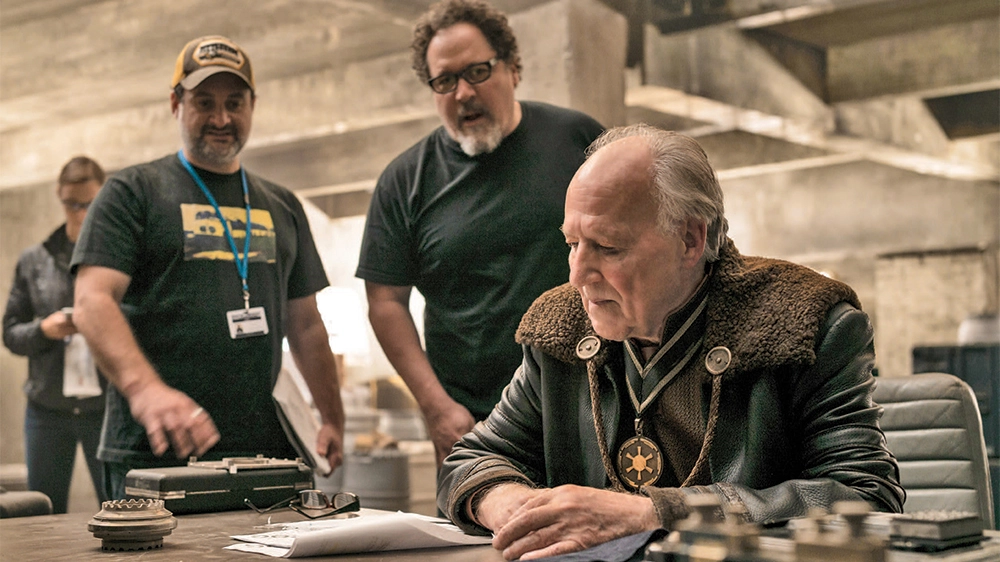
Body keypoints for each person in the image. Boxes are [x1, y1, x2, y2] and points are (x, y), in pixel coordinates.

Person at [438, 124, 905, 560]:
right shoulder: (558, 328)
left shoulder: (806, 323)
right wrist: (511, 505)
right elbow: (472, 460)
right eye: (572, 244)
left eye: (608, 246)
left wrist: (657, 512)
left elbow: (865, 497)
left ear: (690, 239)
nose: (577, 275)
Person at [70, 35, 345, 500]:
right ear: (176, 104)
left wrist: (331, 416)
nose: (221, 119)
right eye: (204, 102)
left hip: (268, 449)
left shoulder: (282, 205)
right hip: (155, 450)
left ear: (253, 106)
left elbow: (306, 324)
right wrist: (146, 391)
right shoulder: (131, 193)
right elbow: (92, 302)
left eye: (234, 103)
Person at [356, 0, 604, 466]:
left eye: (477, 71)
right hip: (475, 425)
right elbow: (385, 302)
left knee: (600, 534)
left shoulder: (578, 140)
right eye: (445, 81)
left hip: (590, 404)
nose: (463, 93)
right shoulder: (404, 180)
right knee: (475, 540)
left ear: (513, 68)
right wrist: (434, 405)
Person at [3, 156, 109, 513]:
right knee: (42, 513)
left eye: (89, 204)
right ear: (59, 198)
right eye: (71, 204)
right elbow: (10, 333)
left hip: (107, 408)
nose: (80, 213)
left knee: (122, 509)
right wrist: (44, 329)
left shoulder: (119, 256)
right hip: (47, 409)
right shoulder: (35, 260)